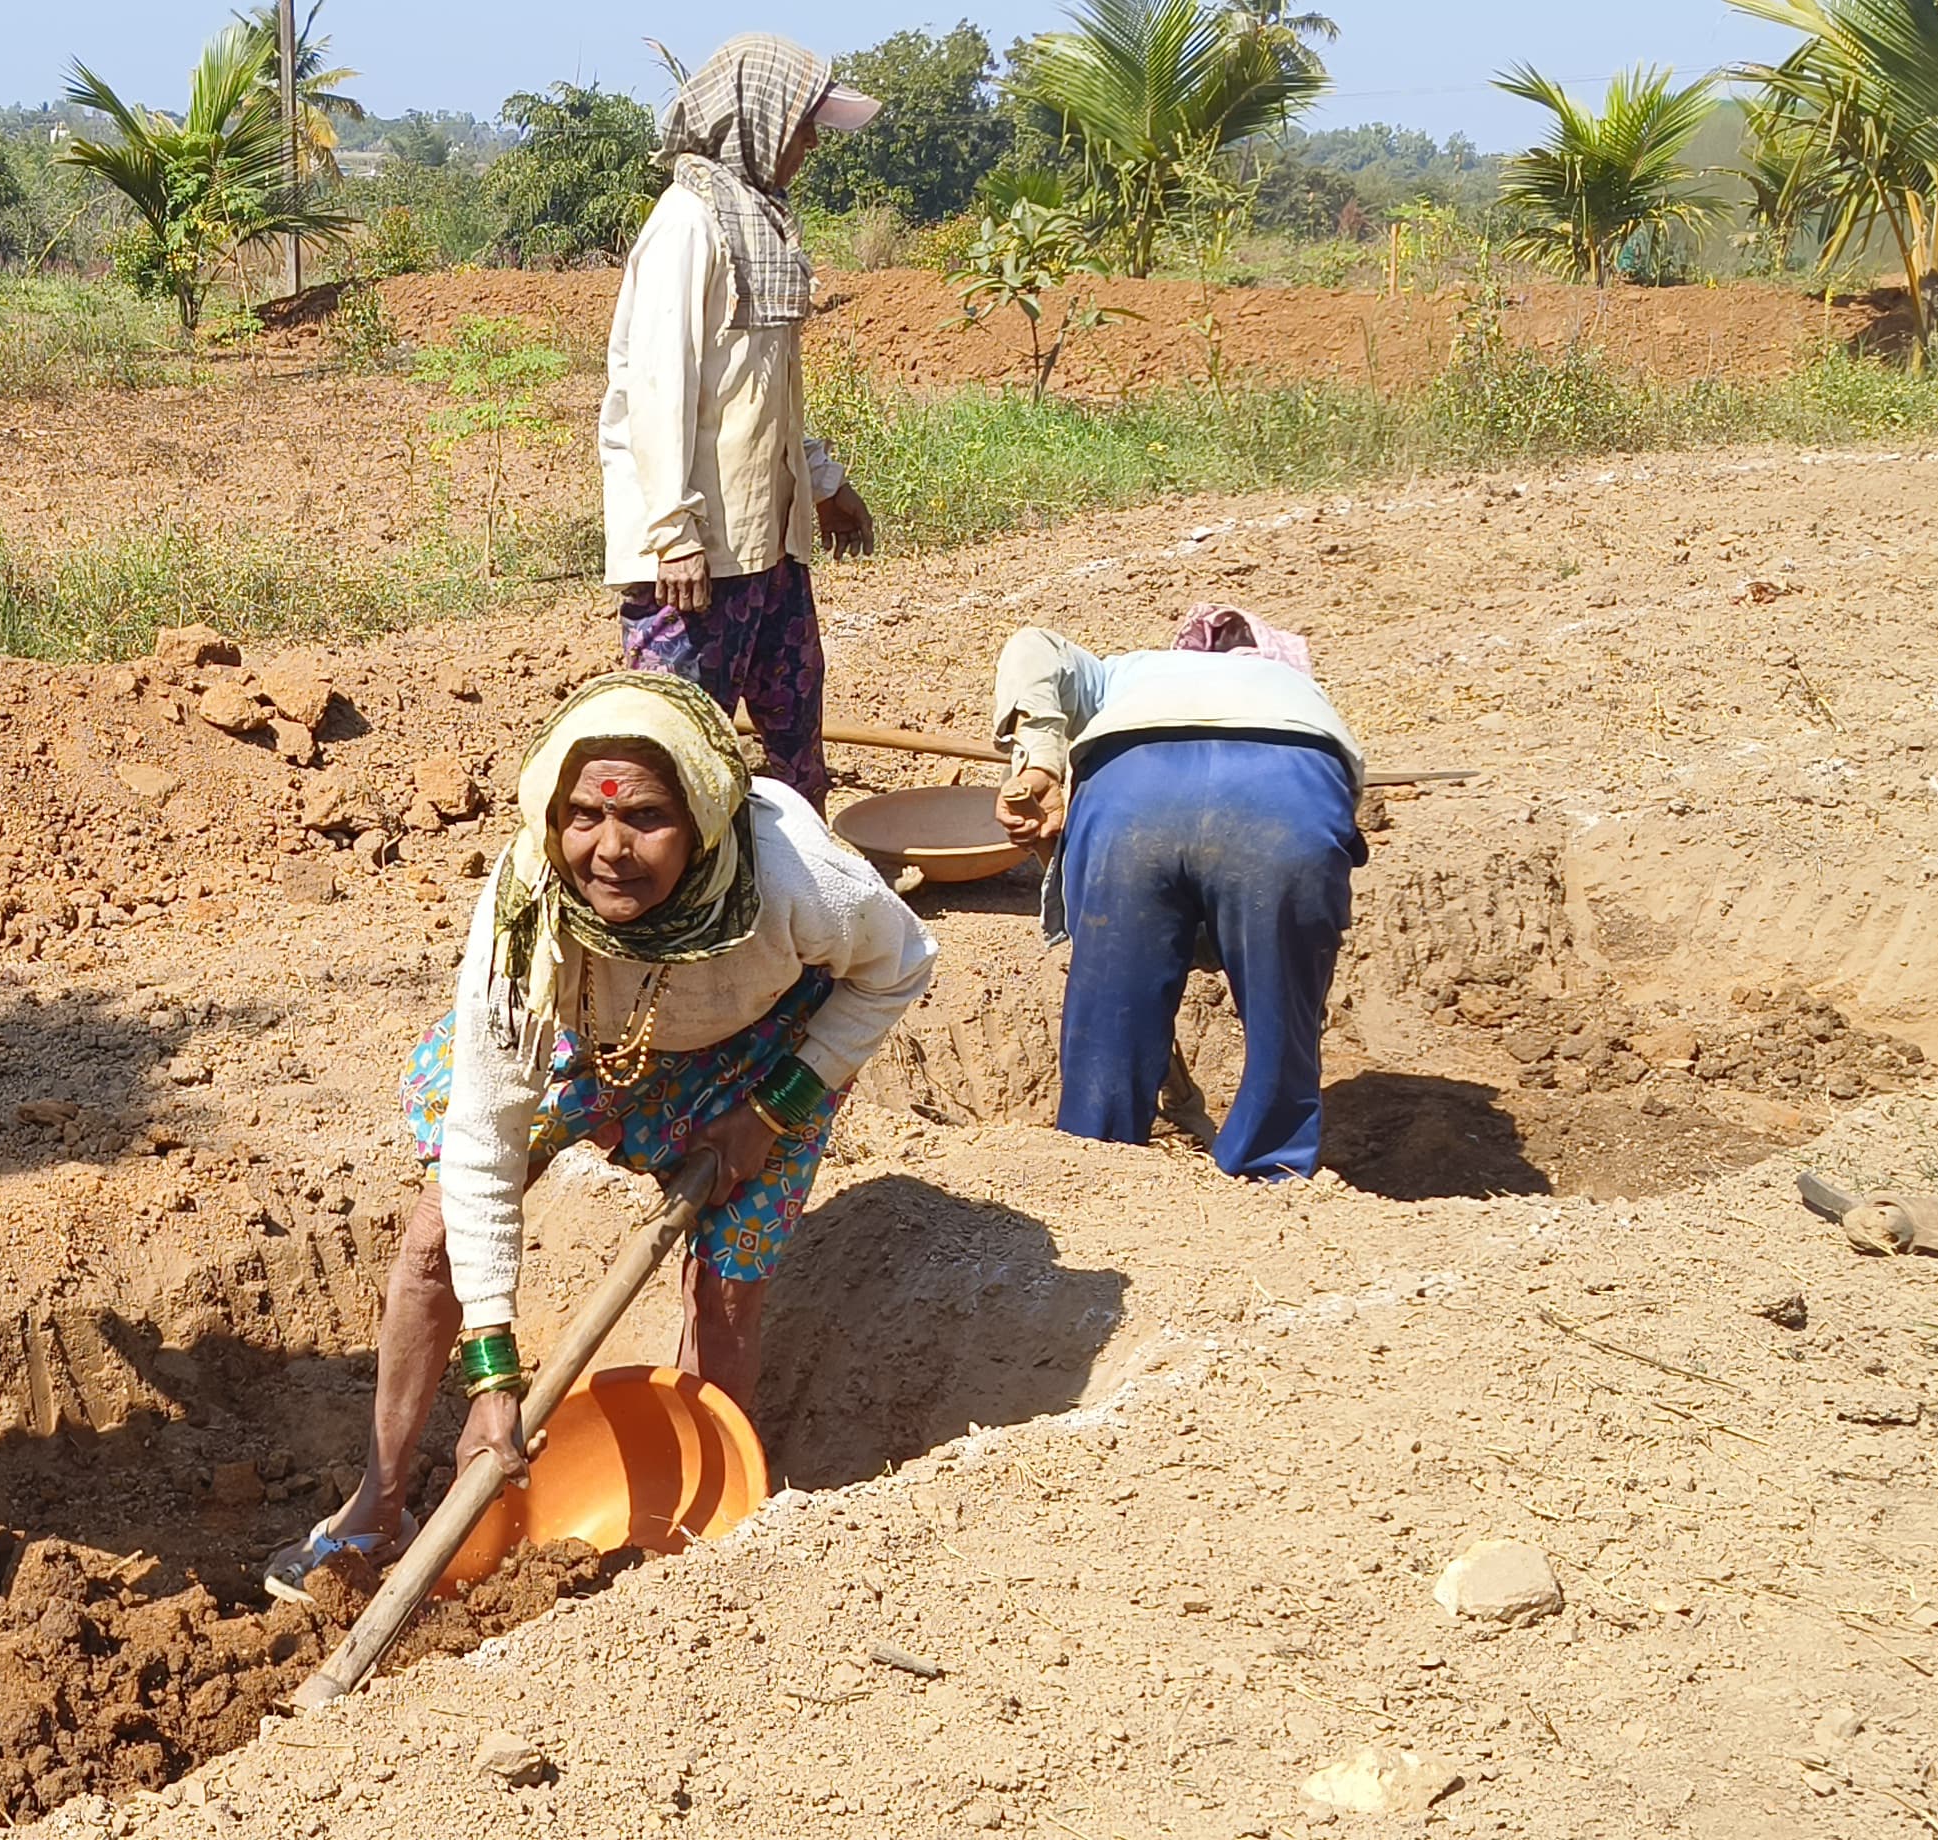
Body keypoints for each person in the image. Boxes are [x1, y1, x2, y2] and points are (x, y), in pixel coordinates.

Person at [270, 672, 936, 1597]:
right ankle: (376, 1509)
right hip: (591, 1032)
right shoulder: (525, 913)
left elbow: (900, 966)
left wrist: (777, 1104)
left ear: (702, 816)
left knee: (727, 1282)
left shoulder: (795, 876)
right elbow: (487, 1134)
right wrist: (492, 1371)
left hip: (765, 1049)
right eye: (585, 815)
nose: (611, 850)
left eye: (648, 818)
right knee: (433, 1243)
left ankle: (703, 1542)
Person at [602, 33, 885, 804]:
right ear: (758, 122)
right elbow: (656, 389)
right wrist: (674, 533)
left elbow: (764, 394)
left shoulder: (761, 226)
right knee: (674, 764)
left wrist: (823, 483)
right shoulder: (688, 225)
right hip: (695, 564)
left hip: (769, 544)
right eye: (803, 126)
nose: (813, 144)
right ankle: (675, 916)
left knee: (797, 751)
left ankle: (798, 901)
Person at [991, 606, 1365, 1180]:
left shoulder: (1130, 673)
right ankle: (1271, 1178)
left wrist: (1041, 754)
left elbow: (1032, 645)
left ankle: (1096, 1170)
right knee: (1282, 1007)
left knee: (1111, 1010)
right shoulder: (1296, 689)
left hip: (1135, 788)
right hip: (1289, 786)